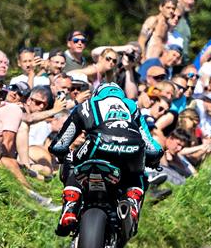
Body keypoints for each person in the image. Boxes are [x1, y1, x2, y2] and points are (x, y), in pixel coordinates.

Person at [49, 82, 163, 236]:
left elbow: (60, 144)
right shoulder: (132, 106)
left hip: (98, 144)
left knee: (71, 158)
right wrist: (154, 161)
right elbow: (153, 148)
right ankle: (133, 200)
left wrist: (61, 155)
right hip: (132, 148)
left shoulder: (87, 105)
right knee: (138, 172)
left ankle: (71, 204)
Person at [174, 0, 196, 65]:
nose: (190, 2)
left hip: (182, 62)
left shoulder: (187, 19)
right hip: (171, 61)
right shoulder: (172, 16)